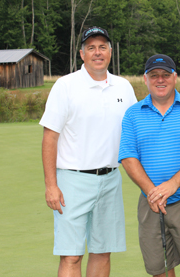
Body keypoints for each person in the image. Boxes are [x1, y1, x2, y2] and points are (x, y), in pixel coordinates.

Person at [40, 26, 137, 277]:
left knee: (102, 252)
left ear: (111, 52)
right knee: (71, 255)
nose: (97, 52)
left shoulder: (124, 87)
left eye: (102, 47)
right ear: (82, 54)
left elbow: (135, 134)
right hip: (72, 180)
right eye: (91, 48)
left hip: (110, 180)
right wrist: (52, 185)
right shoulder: (65, 85)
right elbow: (50, 137)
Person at [118, 54, 180, 277]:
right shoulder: (132, 114)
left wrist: (173, 184)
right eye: (154, 76)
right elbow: (128, 157)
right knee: (160, 271)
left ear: (175, 77)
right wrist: (153, 192)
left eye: (165, 75)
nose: (160, 80)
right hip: (151, 205)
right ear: (145, 79)